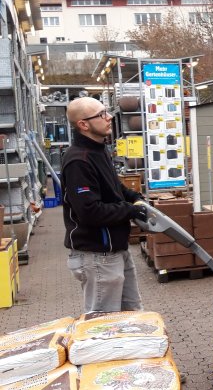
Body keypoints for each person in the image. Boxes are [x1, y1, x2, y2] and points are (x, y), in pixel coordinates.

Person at [62, 97, 148, 313]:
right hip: (97, 255)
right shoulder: (78, 161)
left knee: (132, 316)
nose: (109, 117)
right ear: (84, 124)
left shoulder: (99, 150)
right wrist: (131, 210)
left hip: (116, 250)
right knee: (103, 327)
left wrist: (133, 196)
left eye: (106, 111)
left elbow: (112, 188)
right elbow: (90, 212)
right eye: (101, 114)